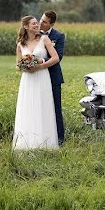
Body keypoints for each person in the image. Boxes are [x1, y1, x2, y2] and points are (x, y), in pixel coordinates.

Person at [12, 15, 61, 149]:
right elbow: (17, 65)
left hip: (42, 77)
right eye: (33, 23)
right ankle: (26, 143)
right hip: (28, 79)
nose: (36, 25)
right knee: (28, 107)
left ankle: (45, 144)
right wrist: (24, 66)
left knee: (42, 106)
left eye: (36, 23)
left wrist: (40, 65)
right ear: (26, 26)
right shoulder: (20, 44)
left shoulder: (45, 39)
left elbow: (55, 58)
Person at [38, 10, 66, 145]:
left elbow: (58, 57)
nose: (40, 23)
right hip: (37, 77)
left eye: (44, 22)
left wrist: (40, 61)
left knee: (56, 107)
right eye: (40, 19)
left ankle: (59, 139)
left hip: (53, 77)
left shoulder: (59, 36)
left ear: (51, 24)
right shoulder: (34, 34)